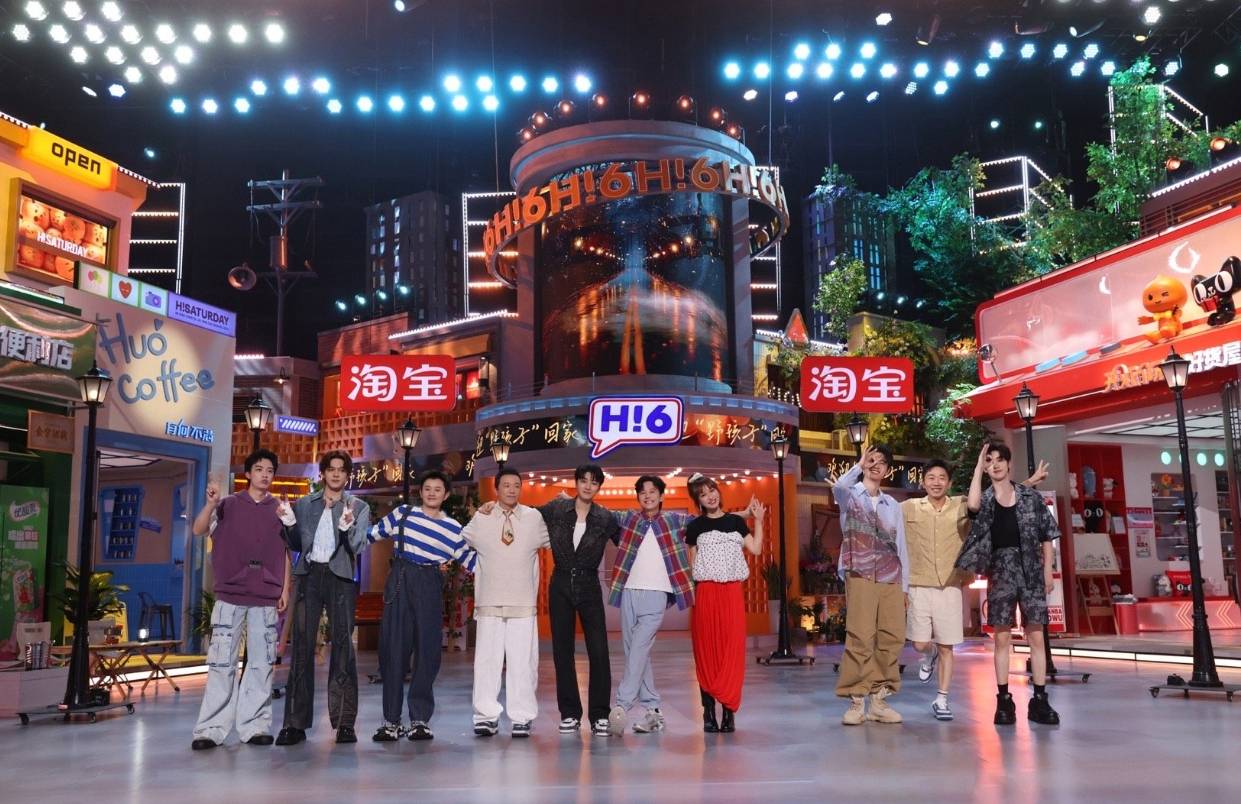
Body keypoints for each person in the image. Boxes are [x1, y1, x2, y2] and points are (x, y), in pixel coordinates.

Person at [903, 457, 1049, 722]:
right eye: (931, 478)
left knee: (947, 645)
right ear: (922, 482)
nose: (936, 482)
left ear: (949, 483)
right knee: (921, 643)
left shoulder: (961, 504)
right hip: (919, 583)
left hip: (951, 582)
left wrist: (1029, 482)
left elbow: (998, 496)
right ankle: (928, 654)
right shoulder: (908, 508)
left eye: (942, 478)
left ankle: (942, 699)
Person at [483, 464, 621, 736]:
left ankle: (599, 715)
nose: (588, 486)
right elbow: (523, 514)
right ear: (576, 483)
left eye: (594, 482)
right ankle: (569, 714)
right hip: (560, 583)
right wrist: (493, 506)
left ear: (599, 487)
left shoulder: (605, 518)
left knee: (598, 651)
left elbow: (628, 542)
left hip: (590, 584)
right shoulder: (557, 509)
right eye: (583, 480)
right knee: (562, 651)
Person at [190, 449, 294, 750]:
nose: (265, 475)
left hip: (266, 594)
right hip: (230, 594)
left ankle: (255, 725)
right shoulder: (228, 504)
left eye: (270, 470)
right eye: (259, 469)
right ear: (248, 473)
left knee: (262, 663)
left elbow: (286, 553)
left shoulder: (280, 509)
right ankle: (210, 728)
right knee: (222, 661)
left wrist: (284, 589)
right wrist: (211, 504)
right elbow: (198, 529)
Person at [367, 470, 477, 742]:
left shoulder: (453, 528)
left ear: (446, 495)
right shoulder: (403, 514)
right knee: (394, 651)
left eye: (437, 489)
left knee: (428, 652)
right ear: (421, 491)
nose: (431, 493)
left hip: (429, 582)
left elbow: (472, 561)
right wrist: (346, 527)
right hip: (400, 578)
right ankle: (391, 721)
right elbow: (371, 535)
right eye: (427, 488)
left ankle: (419, 719)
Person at [957, 441, 1062, 726]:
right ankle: (1004, 700)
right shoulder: (986, 498)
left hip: (1031, 569)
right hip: (1000, 570)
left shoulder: (1030, 496)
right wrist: (977, 466)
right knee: (1002, 637)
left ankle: (1040, 699)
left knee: (1036, 635)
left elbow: (1047, 534)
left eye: (999, 459)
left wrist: (1047, 571)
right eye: (989, 461)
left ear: (1008, 463)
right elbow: (972, 505)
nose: (995, 464)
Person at [277, 450, 371, 746]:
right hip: (309, 575)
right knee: (302, 647)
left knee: (343, 646)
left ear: (348, 475)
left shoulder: (359, 506)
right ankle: (295, 723)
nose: (336, 474)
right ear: (323, 473)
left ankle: (345, 723)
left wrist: (347, 528)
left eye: (341, 469)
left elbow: (357, 546)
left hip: (340, 578)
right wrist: (289, 524)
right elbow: (295, 544)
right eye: (331, 469)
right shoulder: (305, 504)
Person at [461, 467, 550, 738]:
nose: (512, 490)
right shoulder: (483, 517)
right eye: (506, 485)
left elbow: (554, 541)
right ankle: (486, 716)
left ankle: (522, 716)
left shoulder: (533, 518)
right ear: (496, 489)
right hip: (489, 601)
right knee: (486, 662)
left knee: (523, 663)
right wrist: (478, 570)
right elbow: (461, 542)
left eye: (516, 485)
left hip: (522, 603)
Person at [606, 475, 695, 736]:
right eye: (643, 492)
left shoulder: (674, 520)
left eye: (653, 491)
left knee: (639, 648)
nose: (648, 496)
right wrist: (569, 501)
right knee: (636, 651)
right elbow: (600, 514)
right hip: (629, 591)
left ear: (661, 496)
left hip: (657, 593)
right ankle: (653, 711)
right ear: (638, 497)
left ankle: (621, 705)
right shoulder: (628, 519)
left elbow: (709, 521)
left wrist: (744, 515)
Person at [832, 445, 909, 726]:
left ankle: (879, 700)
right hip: (860, 573)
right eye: (871, 460)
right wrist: (858, 464)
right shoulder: (850, 495)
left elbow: (901, 546)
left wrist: (906, 587)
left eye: (882, 462)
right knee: (860, 636)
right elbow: (839, 486)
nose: (876, 465)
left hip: (891, 576)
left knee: (891, 636)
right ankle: (856, 700)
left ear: (888, 469)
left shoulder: (893, 505)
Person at [685, 474, 765, 734]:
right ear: (698, 500)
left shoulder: (735, 522)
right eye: (703, 494)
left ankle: (729, 711)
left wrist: (758, 520)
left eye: (712, 490)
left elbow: (756, 549)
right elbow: (692, 565)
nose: (710, 496)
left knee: (731, 650)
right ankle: (708, 712)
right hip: (706, 593)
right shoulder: (695, 527)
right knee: (707, 651)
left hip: (731, 593)